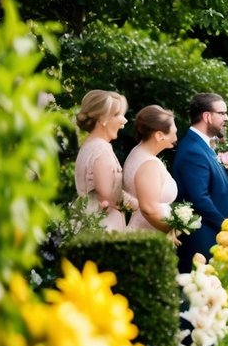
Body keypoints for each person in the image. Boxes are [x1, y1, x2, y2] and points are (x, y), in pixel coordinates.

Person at [173, 93, 228, 273]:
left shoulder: (203, 146)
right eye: (222, 113)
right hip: (202, 238)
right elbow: (199, 198)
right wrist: (226, 225)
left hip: (212, 234)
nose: (227, 118)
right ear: (207, 116)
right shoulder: (193, 150)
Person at [74, 89, 132, 231]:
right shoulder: (100, 149)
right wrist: (137, 204)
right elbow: (107, 199)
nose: (124, 121)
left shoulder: (90, 145)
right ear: (102, 119)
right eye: (117, 115)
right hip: (103, 226)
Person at [124, 105, 179, 237]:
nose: (176, 137)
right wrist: (172, 230)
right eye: (174, 132)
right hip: (147, 238)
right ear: (159, 135)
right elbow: (148, 209)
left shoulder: (137, 152)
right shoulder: (149, 164)